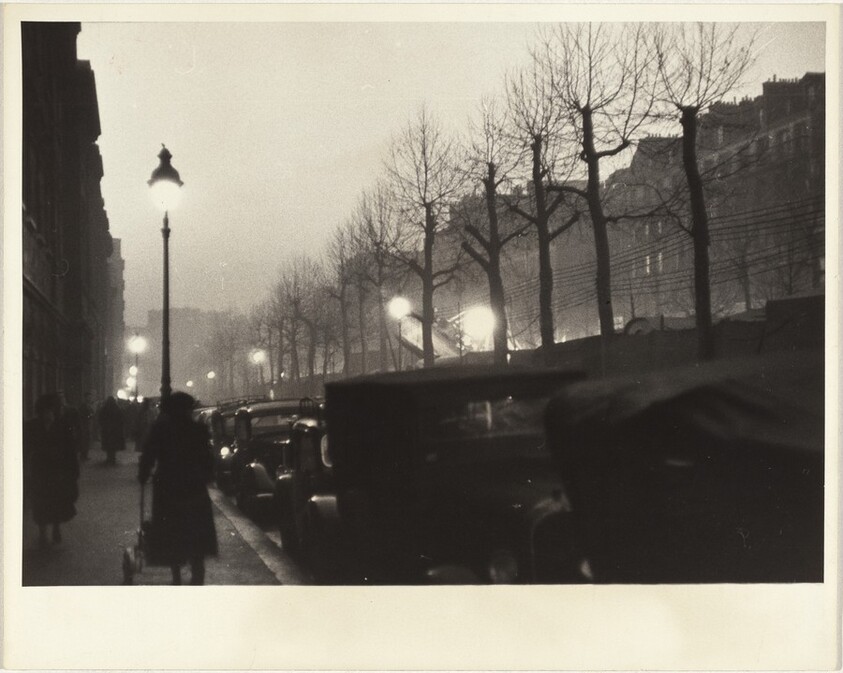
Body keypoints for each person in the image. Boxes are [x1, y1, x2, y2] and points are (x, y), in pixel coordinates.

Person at [139, 392, 218, 585]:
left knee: (172, 533)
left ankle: (176, 576)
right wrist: (207, 476)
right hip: (193, 487)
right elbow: (207, 459)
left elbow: (149, 454)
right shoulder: (198, 430)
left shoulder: (161, 429)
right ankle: (197, 574)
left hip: (168, 487)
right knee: (195, 532)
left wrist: (144, 473)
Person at [23, 393, 80, 548]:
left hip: (57, 471)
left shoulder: (63, 426)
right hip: (40, 471)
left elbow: (71, 451)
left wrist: (73, 472)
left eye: (52, 411)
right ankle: (42, 532)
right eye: (45, 411)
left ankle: (56, 527)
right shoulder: (31, 426)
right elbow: (26, 449)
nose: (49, 415)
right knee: (40, 503)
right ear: (40, 411)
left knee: (56, 502)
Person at [98, 396, 125, 465]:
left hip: (106, 430)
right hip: (115, 430)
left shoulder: (104, 408)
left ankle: (109, 458)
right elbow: (121, 419)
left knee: (108, 445)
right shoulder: (117, 408)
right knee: (114, 445)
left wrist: (103, 426)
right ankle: (113, 458)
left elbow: (100, 418)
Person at [77, 392, 95, 461]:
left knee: (87, 440)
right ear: (86, 398)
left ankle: (85, 455)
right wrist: (90, 416)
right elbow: (84, 415)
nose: (90, 398)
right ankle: (83, 455)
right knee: (85, 440)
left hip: (88, 424)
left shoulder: (88, 405)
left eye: (91, 397)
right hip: (84, 425)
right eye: (89, 397)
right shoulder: (83, 406)